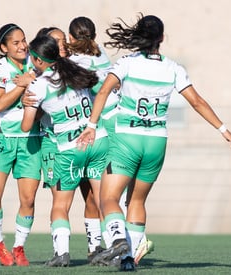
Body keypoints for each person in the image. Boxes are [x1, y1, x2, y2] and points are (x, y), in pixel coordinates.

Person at [76, 14, 231, 271]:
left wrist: (91, 125)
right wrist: (223, 129)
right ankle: (129, 259)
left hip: (127, 140)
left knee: (109, 198)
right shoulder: (173, 68)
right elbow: (196, 102)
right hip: (156, 143)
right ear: (162, 38)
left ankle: (118, 239)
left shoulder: (127, 63)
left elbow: (105, 90)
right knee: (137, 202)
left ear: (139, 38)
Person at [68, 16, 153, 265]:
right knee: (117, 190)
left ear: (72, 38)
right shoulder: (100, 52)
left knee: (109, 191)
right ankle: (122, 242)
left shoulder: (75, 61)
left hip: (106, 124)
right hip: (121, 119)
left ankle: (132, 242)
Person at [21, 34, 108, 267]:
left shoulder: (39, 85)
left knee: (60, 204)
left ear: (39, 60)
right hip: (97, 140)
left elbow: (26, 125)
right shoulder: (76, 70)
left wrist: (27, 102)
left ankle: (62, 254)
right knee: (104, 201)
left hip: (70, 147)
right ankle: (110, 247)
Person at [0, 23, 41, 267]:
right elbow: (0, 104)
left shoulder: (37, 64)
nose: (22, 46)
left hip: (31, 140)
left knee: (28, 199)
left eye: (23, 40)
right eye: (15, 43)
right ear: (4, 47)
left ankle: (19, 247)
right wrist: (22, 84)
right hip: (3, 138)